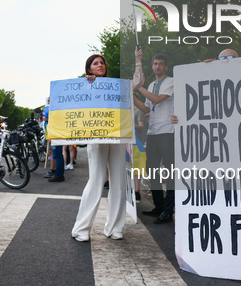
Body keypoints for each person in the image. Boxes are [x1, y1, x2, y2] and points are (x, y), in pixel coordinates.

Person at [72, 54, 127, 242]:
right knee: (96, 180)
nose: (100, 65)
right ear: (89, 69)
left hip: (118, 135)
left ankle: (115, 227)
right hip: (96, 136)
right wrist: (88, 84)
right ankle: (81, 228)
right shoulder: (84, 85)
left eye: (102, 62)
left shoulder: (116, 85)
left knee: (119, 182)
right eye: (95, 63)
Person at [133, 50, 175, 224]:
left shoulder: (171, 82)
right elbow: (148, 108)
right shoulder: (150, 85)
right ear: (152, 66)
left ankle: (168, 210)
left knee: (170, 172)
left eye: (160, 64)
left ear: (165, 66)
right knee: (152, 171)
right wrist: (132, 96)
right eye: (155, 64)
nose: (157, 66)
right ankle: (158, 206)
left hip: (168, 131)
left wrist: (138, 87)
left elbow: (157, 100)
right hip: (154, 132)